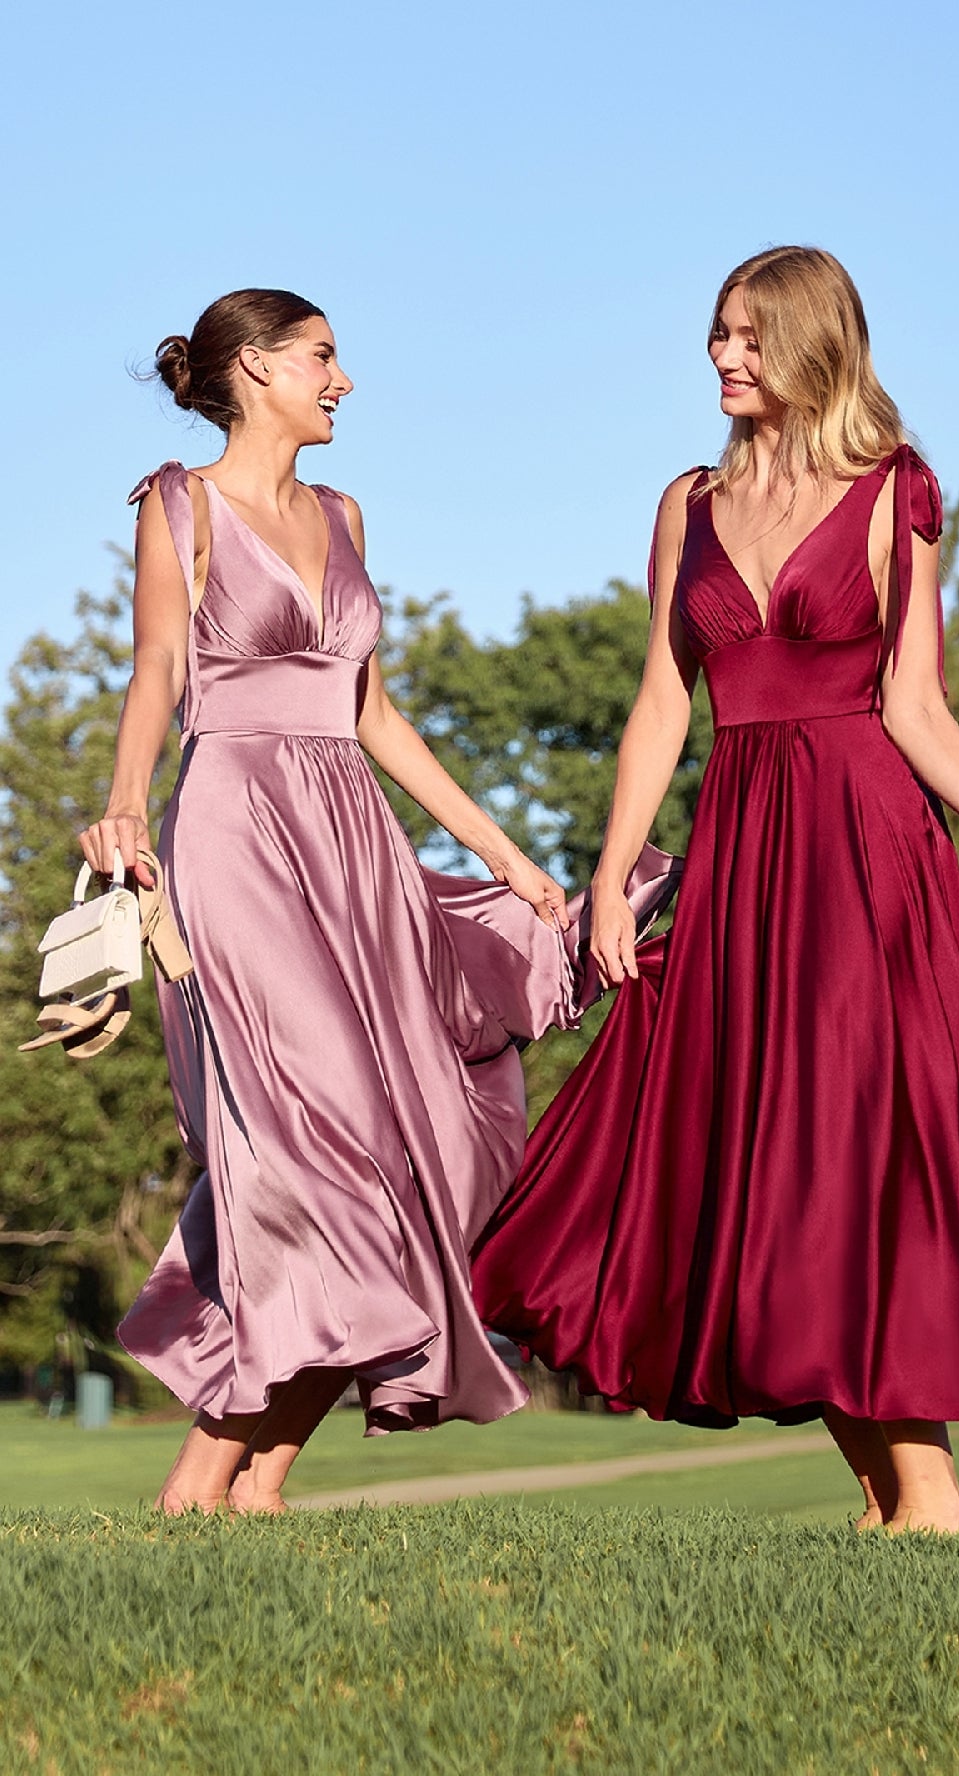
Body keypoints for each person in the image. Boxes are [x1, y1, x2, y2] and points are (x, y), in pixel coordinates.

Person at [473, 246, 959, 1534]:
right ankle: (895, 1503)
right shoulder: (687, 502)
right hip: (739, 852)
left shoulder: (895, 489)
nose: (723, 355)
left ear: (814, 342)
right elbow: (664, 698)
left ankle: (927, 1497)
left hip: (870, 855)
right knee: (758, 1162)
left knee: (860, 1152)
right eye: (717, 333)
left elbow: (915, 706)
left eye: (749, 336)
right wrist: (610, 881)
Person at [81, 287, 583, 1513]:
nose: (343, 379)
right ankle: (204, 1478)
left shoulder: (347, 513)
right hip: (235, 835)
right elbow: (157, 666)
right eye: (322, 356)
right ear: (254, 369)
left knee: (405, 1151)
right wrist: (123, 802)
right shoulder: (178, 504)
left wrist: (507, 853)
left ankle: (257, 1484)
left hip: (352, 839)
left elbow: (373, 714)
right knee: (307, 1152)